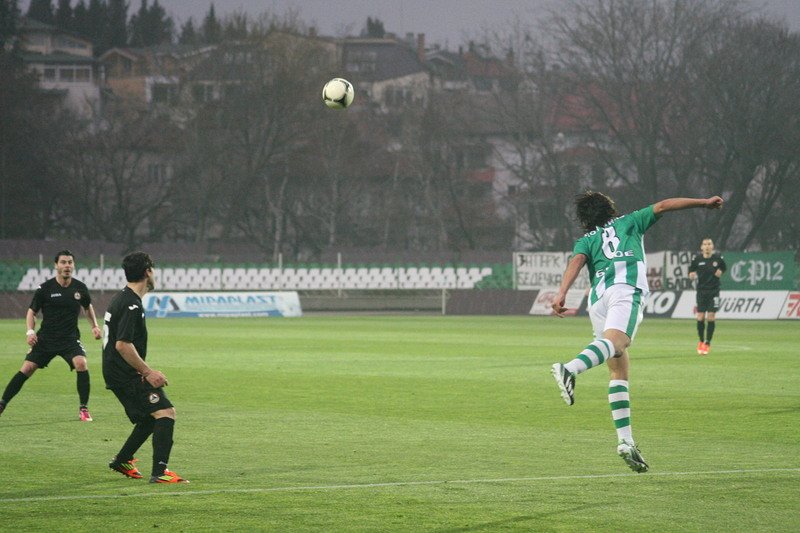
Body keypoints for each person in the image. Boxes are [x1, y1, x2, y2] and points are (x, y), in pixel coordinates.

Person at [550, 192, 723, 473]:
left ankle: (625, 441)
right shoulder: (630, 221)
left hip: (598, 299)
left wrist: (561, 293)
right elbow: (665, 205)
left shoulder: (585, 240)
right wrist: (703, 203)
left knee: (618, 368)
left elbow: (577, 262)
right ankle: (570, 368)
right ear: (609, 208)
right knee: (618, 342)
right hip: (624, 288)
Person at [103, 251, 188, 483]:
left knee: (150, 418)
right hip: (124, 372)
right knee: (165, 413)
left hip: (117, 370)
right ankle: (160, 473)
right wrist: (148, 372)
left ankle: (122, 459)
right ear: (147, 272)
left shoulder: (123, 298)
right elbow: (122, 345)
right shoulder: (131, 304)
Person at [0, 250, 102, 420]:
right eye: (63, 262)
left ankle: (83, 409)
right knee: (26, 368)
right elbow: (31, 312)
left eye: (70, 262)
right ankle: (2, 403)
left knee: (81, 363)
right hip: (46, 339)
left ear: (73, 265)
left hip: (69, 339)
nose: (67, 265)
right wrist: (30, 331)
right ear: (56, 265)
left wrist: (95, 327)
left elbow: (87, 307)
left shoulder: (80, 288)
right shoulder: (45, 288)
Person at [688, 238, 726, 355]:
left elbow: (724, 267)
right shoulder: (697, 259)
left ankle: (707, 343)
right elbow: (691, 272)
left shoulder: (718, 259)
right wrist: (692, 275)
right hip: (701, 292)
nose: (707, 246)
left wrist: (721, 271)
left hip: (714, 291)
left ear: (712, 246)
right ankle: (700, 341)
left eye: (709, 244)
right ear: (701, 247)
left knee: (711, 316)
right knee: (700, 317)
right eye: (705, 244)